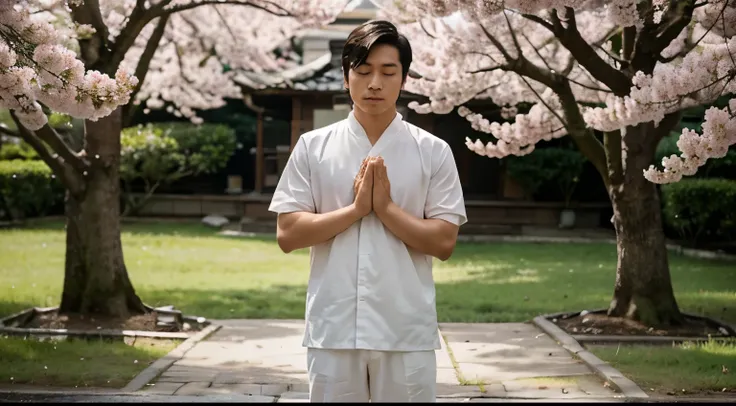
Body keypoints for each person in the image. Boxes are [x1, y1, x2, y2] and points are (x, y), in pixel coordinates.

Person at [268, 19, 467, 403]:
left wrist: (387, 209)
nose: (375, 83)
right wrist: (357, 210)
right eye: (363, 71)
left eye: (388, 72)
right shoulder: (313, 147)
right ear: (346, 78)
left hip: (405, 328)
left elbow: (443, 242)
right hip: (334, 328)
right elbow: (288, 234)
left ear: (403, 79)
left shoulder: (432, 151)